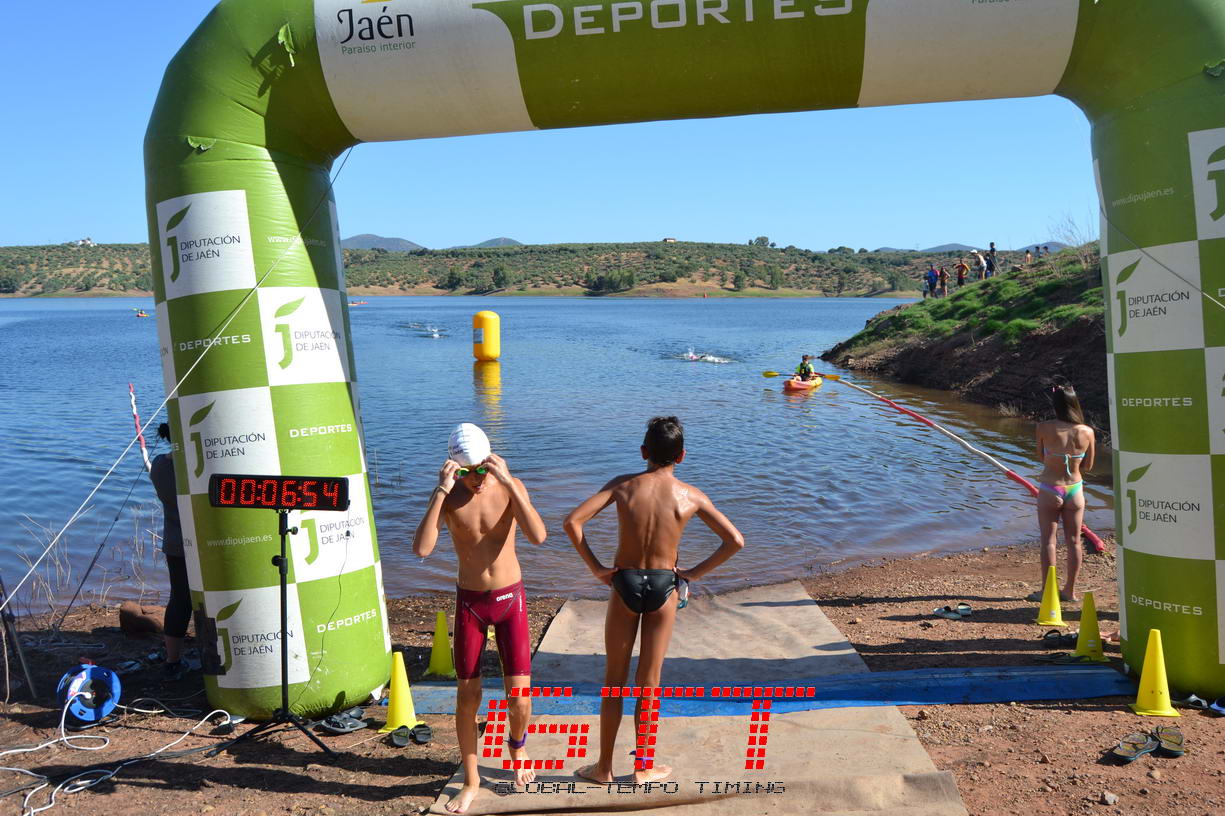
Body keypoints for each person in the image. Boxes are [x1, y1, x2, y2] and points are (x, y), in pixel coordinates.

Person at [565, 417, 744, 785]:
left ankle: (603, 768)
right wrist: (692, 573)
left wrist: (597, 569)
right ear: (682, 456)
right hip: (664, 584)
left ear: (643, 451)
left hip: (625, 581)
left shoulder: (623, 485)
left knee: (614, 680)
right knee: (649, 683)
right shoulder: (691, 496)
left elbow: (572, 522)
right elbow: (735, 541)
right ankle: (643, 767)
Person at [412, 423, 548, 814]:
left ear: (491, 460)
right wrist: (441, 490)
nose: (476, 478)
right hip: (471, 603)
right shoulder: (449, 495)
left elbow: (538, 536)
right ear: (454, 467)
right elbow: (422, 549)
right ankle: (471, 780)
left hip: (510, 600)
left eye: (482, 469)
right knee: (467, 697)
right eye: (467, 471)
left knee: (519, 697)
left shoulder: (509, 485)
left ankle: (517, 749)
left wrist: (509, 482)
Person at [1031, 384, 1095, 603]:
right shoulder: (1087, 432)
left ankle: (1047, 591)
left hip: (1050, 487)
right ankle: (1069, 591)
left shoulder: (1043, 427)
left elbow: (1041, 456)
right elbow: (1088, 466)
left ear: (1055, 405)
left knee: (1048, 541)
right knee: (1074, 541)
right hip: (1075, 490)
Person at [149, 423, 191, 682]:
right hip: (204, 543)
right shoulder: (193, 467)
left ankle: (173, 660)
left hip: (175, 543)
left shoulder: (158, 465)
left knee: (180, 599)